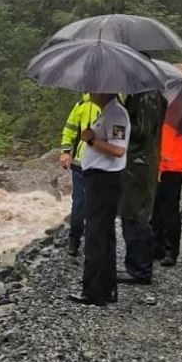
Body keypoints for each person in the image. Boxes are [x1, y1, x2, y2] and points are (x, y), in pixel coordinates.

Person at [68, 93, 130, 306]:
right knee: (104, 235)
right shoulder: (108, 112)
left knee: (96, 235)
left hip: (104, 180)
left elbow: (118, 149)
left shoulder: (116, 114)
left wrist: (91, 139)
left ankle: (93, 292)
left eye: (94, 88)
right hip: (100, 178)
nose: (90, 92)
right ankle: (107, 288)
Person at [117, 91, 166, 285]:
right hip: (138, 162)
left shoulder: (148, 96)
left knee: (135, 215)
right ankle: (136, 266)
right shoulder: (145, 95)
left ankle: (140, 269)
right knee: (132, 214)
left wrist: (120, 123)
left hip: (139, 164)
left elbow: (143, 132)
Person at [59, 94, 102, 257]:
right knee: (78, 205)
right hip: (80, 163)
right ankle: (74, 240)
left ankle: (94, 243)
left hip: (101, 165)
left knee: (98, 206)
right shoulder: (82, 105)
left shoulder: (114, 105)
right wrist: (65, 151)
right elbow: (69, 128)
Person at [151, 123, 182, 267]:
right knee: (160, 207)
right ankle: (161, 247)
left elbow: (166, 145)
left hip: (170, 167)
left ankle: (168, 250)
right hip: (175, 165)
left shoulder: (172, 119)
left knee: (167, 209)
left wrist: (160, 167)